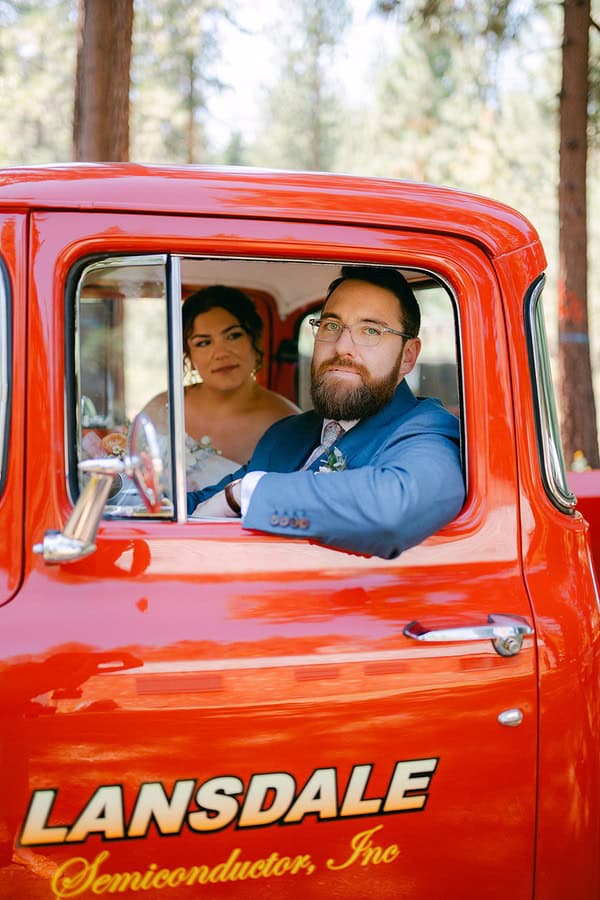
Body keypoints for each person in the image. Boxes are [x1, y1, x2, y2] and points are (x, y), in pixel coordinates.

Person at [187, 266, 465, 560]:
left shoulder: (428, 429)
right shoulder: (285, 433)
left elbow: (395, 508)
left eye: (370, 330)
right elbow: (204, 504)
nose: (342, 347)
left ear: (407, 356)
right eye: (331, 326)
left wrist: (246, 494)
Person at [143, 285, 299, 491]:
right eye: (203, 342)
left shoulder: (289, 423)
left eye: (233, 336)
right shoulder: (163, 408)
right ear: (188, 354)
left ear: (255, 340)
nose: (221, 353)